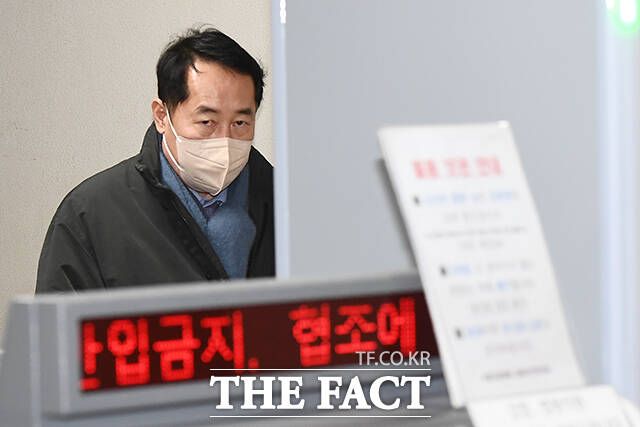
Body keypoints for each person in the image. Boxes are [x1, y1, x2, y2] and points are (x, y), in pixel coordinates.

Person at [35, 27, 274, 293]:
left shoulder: (287, 206)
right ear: (162, 116)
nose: (224, 140)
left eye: (240, 123)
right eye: (207, 121)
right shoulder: (90, 214)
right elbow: (60, 317)